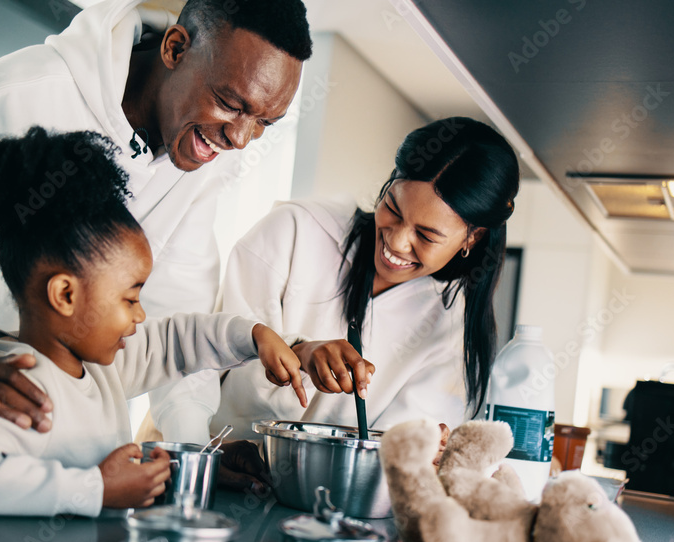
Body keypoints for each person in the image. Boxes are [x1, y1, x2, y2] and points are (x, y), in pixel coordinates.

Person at [0, 0, 311, 515]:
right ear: (176, 49)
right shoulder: (18, 98)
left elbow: (175, 319)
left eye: (265, 122)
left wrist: (196, 453)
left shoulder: (199, 156)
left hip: (21, 463)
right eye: (230, 103)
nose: (240, 138)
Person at [0, 128, 305, 516]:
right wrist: (96, 489)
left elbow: (175, 342)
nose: (141, 314)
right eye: (130, 298)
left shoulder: (102, 369)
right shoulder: (21, 388)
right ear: (66, 295)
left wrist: (253, 337)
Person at [206, 117, 520, 442]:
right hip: (218, 463)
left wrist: (426, 448)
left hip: (330, 488)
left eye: (426, 235)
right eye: (394, 210)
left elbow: (398, 452)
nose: (396, 242)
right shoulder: (295, 230)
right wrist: (300, 351)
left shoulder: (449, 330)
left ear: (473, 237)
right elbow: (209, 345)